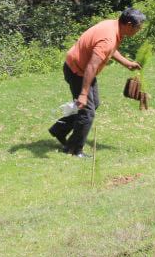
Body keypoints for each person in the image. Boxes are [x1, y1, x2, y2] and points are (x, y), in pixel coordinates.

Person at [48, 8, 146, 157]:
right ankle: (73, 150)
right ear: (128, 24)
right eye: (138, 27)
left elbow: (110, 50)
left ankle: (59, 130)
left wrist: (127, 63)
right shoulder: (108, 38)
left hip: (79, 67)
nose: (139, 29)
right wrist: (83, 94)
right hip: (77, 71)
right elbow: (91, 66)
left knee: (93, 105)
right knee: (87, 112)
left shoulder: (113, 26)